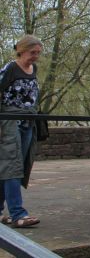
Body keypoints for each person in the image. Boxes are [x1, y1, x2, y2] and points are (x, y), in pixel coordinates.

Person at [0, 35, 43, 228]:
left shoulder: (34, 69)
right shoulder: (10, 69)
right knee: (12, 165)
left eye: (38, 53)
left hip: (28, 121)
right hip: (9, 121)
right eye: (32, 52)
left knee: (17, 164)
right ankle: (18, 213)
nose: (35, 57)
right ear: (22, 50)